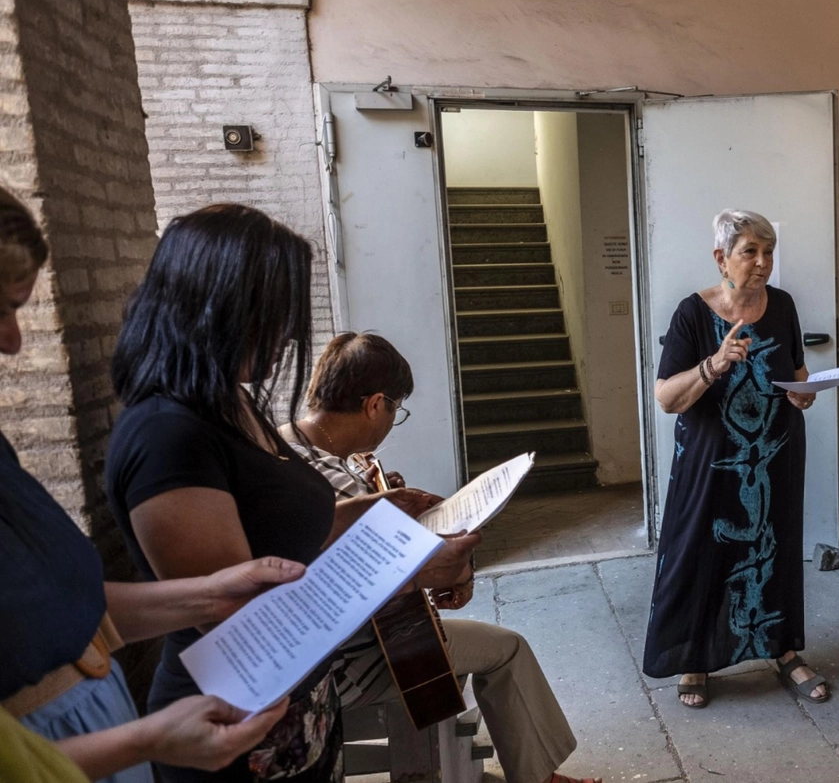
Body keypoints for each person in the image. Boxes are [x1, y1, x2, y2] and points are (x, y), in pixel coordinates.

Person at [102, 204, 477, 783]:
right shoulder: (167, 436)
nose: (289, 335)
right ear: (214, 305)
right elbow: (244, 618)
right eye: (274, 314)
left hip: (300, 711)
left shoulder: (231, 401)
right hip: (231, 733)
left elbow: (274, 529)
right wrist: (414, 571)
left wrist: (372, 510)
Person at [0, 190, 298, 783]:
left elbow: (66, 610)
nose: (12, 341)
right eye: (0, 308)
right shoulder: (167, 432)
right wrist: (142, 741)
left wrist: (210, 592)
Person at [278, 332, 598, 783]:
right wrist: (459, 564)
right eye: (396, 410)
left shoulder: (286, 442)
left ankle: (507, 767)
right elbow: (414, 572)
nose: (391, 422)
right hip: (345, 667)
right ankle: (537, 776)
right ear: (375, 405)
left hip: (313, 656)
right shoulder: (335, 483)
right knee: (507, 649)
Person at [642, 208, 826, 709]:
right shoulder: (692, 313)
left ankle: (784, 649)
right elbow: (665, 397)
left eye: (768, 252)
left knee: (776, 546)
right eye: (751, 252)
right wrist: (715, 363)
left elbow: (798, 369)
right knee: (699, 550)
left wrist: (805, 393)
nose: (763, 262)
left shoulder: (783, 305)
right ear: (722, 257)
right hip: (709, 457)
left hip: (775, 453)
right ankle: (693, 657)